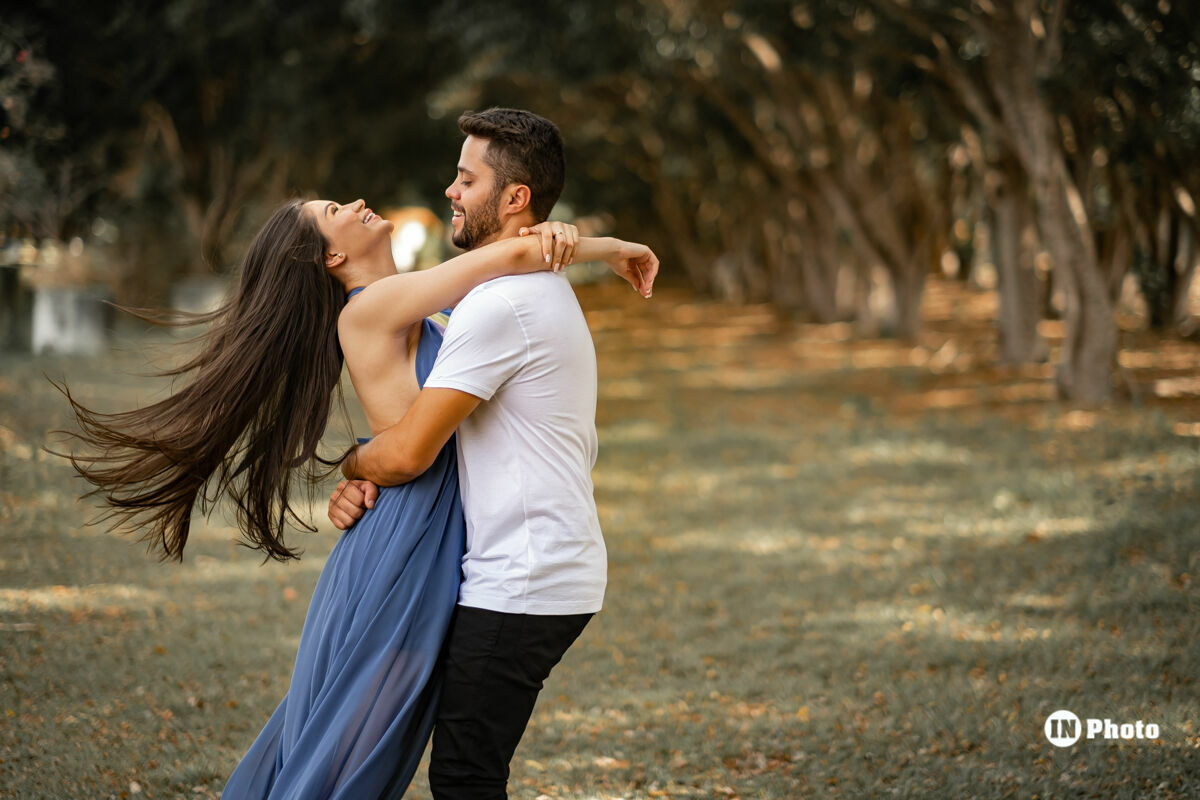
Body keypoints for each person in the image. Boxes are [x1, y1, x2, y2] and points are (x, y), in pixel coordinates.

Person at [59, 184, 656, 794]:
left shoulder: (413, 302)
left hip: (423, 533)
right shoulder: (372, 307)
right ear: (330, 259)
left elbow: (505, 261)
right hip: (408, 544)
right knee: (351, 743)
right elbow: (507, 257)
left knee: (361, 739)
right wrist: (611, 248)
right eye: (332, 214)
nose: (352, 204)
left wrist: (355, 469)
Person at [327, 108, 657, 798]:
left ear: (515, 198)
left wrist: (353, 463)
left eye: (465, 178)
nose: (450, 190)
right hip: (525, 565)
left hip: (524, 575)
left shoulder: (499, 305)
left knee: (463, 776)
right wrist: (606, 244)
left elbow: (412, 451)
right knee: (449, 765)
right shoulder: (515, 289)